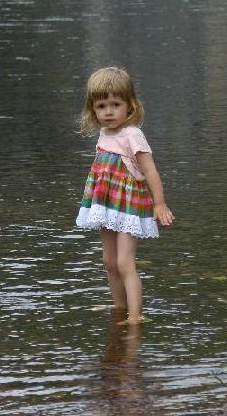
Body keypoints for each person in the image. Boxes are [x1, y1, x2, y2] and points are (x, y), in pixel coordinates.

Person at [76, 67, 174, 325]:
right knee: (109, 262)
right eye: (101, 106)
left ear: (129, 105)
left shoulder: (132, 134)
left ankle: (135, 316)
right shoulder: (104, 134)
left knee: (124, 263)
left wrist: (160, 204)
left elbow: (150, 171)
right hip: (107, 204)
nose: (108, 112)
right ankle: (119, 308)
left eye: (115, 105)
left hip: (129, 205)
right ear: (93, 109)